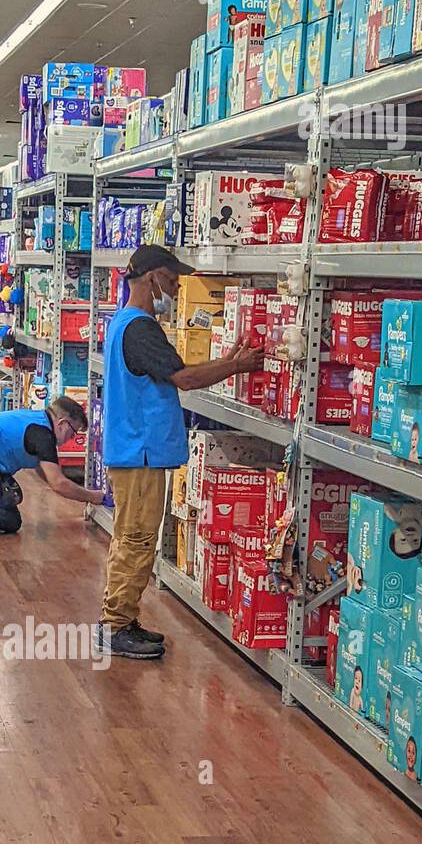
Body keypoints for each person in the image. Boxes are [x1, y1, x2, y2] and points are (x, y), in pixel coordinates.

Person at [97, 245, 264, 660]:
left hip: (134, 450)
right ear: (153, 277)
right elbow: (185, 378)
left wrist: (224, 360)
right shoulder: (140, 328)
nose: (174, 290)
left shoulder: (122, 323)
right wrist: (236, 367)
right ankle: (114, 626)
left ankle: (122, 619)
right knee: (136, 539)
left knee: (130, 537)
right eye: (172, 281)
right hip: (140, 453)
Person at [0, 397, 103, 539]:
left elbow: (45, 470)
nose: (71, 438)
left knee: (13, 495)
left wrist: (63, 484)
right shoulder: (43, 436)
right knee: (10, 520)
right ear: (62, 423)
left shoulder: (34, 419)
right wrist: (93, 497)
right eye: (73, 433)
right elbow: (58, 483)